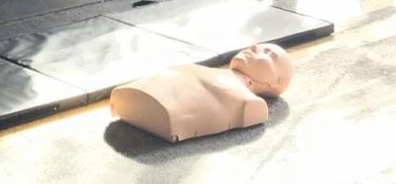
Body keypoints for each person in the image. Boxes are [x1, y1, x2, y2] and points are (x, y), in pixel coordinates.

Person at [109, 43, 294, 142]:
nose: (253, 47)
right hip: (141, 95)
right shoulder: (217, 75)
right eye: (259, 46)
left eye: (268, 54)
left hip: (164, 112)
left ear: (276, 82)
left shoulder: (251, 104)